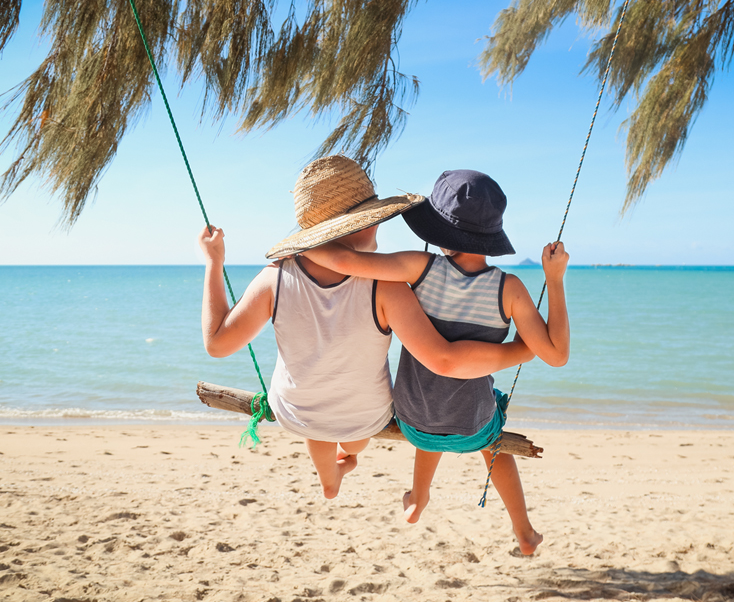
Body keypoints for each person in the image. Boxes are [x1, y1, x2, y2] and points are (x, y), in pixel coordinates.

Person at [199, 156, 533, 501]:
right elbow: (441, 358)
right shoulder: (386, 287)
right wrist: (522, 349)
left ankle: (330, 480)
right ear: (363, 224)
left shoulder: (276, 277)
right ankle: (351, 456)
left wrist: (214, 263)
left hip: (296, 413)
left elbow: (217, 344)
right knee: (353, 439)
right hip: (367, 418)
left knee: (319, 427)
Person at [300, 169, 570, 555]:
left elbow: (341, 261)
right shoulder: (509, 289)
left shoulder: (419, 268)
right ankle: (524, 532)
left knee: (433, 415)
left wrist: (303, 243)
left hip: (413, 419)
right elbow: (556, 355)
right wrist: (555, 279)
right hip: (474, 425)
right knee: (494, 446)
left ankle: (418, 498)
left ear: (441, 231)